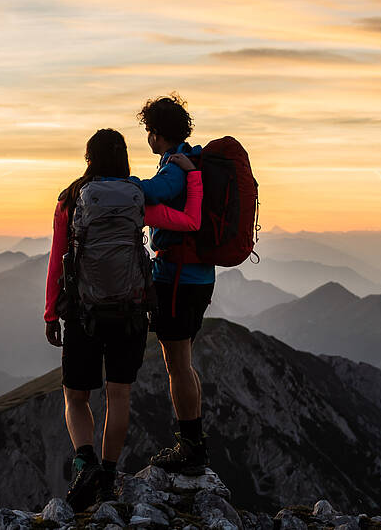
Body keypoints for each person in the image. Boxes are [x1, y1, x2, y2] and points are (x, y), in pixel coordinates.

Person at [44, 128, 201, 510]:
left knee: (76, 396)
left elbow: (57, 259)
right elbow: (189, 222)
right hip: (131, 312)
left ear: (89, 159)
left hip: (84, 313)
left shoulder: (71, 199)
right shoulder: (136, 199)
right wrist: (193, 178)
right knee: (119, 394)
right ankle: (110, 475)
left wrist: (51, 312)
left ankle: (85, 462)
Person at [135, 93, 215, 475]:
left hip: (176, 279)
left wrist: (118, 182)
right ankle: (193, 441)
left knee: (177, 365)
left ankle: (190, 446)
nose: (147, 137)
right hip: (199, 276)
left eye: (149, 130)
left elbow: (153, 192)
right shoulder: (192, 158)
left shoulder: (175, 168)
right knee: (184, 363)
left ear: (157, 133)